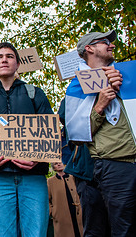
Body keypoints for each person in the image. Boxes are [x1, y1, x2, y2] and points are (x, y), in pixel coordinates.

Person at [0, 42, 53, 236]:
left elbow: (50, 133)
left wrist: (39, 159)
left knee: (36, 233)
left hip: (33, 178)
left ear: (18, 64)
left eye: (9, 56)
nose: (4, 59)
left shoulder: (35, 94)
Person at [64, 30, 136, 236]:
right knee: (123, 228)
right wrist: (100, 104)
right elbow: (76, 133)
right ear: (89, 48)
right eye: (105, 42)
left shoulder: (127, 74)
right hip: (115, 163)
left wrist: (123, 84)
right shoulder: (77, 86)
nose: (112, 45)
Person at [48, 162, 83, 237]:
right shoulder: (50, 182)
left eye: (60, 163)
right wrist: (53, 212)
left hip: (77, 213)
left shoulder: (73, 178)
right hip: (61, 216)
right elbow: (47, 200)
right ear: (54, 168)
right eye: (56, 164)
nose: (59, 164)